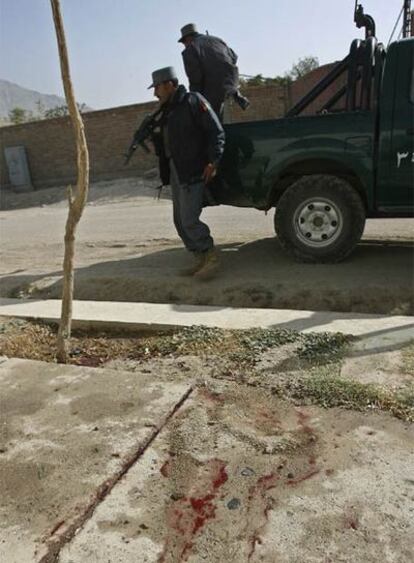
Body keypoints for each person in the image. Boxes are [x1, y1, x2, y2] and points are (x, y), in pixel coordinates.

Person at [148, 66, 225, 279]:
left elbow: (216, 132)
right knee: (179, 220)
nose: (155, 93)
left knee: (190, 219)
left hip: (193, 168)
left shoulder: (193, 101)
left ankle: (211, 257)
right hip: (175, 170)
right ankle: (199, 257)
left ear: (170, 85)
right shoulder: (166, 110)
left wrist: (213, 161)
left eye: (157, 88)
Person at [178, 23, 249, 120]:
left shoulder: (190, 49)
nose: (184, 46)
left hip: (214, 89)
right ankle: (235, 93)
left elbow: (195, 77)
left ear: (188, 39)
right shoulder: (217, 39)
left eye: (184, 43)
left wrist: (195, 100)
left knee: (209, 119)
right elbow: (234, 57)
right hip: (232, 81)